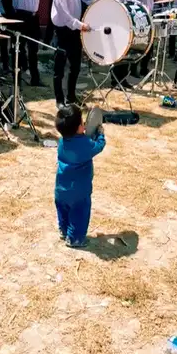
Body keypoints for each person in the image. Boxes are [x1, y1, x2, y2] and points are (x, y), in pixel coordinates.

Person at [51, 0, 99, 107]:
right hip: (63, 30)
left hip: (75, 31)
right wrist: (81, 25)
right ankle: (59, 100)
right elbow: (64, 15)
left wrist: (103, 3)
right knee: (59, 68)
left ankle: (71, 97)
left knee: (75, 66)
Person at [54, 104, 106, 249]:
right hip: (79, 192)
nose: (84, 125)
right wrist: (100, 134)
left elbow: (80, 145)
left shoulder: (62, 141)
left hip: (61, 189)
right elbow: (98, 147)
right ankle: (75, 239)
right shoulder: (84, 143)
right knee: (79, 214)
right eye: (83, 123)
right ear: (78, 128)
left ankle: (64, 231)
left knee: (63, 211)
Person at [12, 0, 51, 88]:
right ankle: (19, 78)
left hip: (34, 16)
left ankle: (35, 78)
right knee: (19, 49)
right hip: (20, 15)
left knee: (33, 49)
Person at [110, 0, 155, 87]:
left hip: (128, 24)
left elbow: (133, 2)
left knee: (126, 54)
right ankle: (115, 81)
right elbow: (120, 6)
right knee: (119, 54)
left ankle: (123, 80)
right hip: (119, 23)